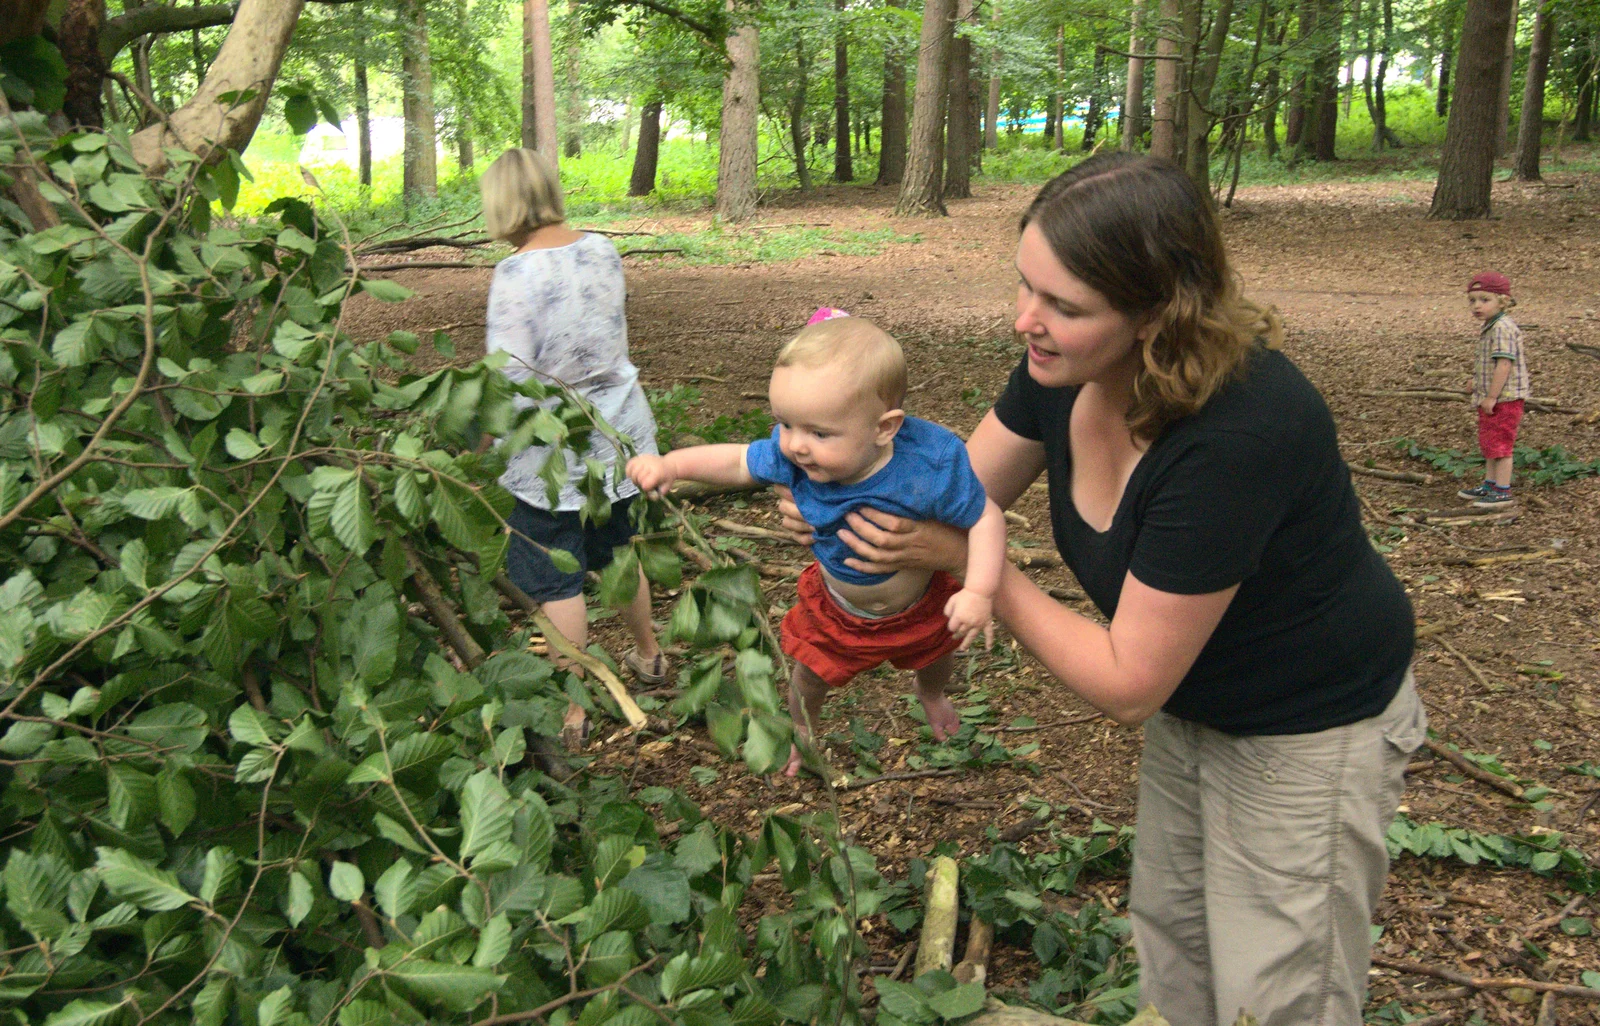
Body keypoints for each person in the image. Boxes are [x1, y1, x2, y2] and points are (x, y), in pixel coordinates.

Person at [775, 154, 1425, 1026]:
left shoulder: (1239, 433)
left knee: (1279, 993)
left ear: (1159, 312)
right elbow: (956, 495)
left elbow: (1127, 680)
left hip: (1309, 724)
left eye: (1064, 307)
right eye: (1026, 288)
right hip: (1199, 706)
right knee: (1177, 949)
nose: (1025, 322)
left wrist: (976, 569)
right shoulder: (1060, 372)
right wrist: (844, 501)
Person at [626, 313, 1007, 777]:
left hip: (921, 601)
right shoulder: (797, 457)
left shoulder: (929, 465)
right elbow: (738, 462)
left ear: (884, 428)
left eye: (819, 433)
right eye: (785, 424)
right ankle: (802, 727)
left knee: (939, 652)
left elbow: (985, 516)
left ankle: (931, 694)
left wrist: (979, 591)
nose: (795, 446)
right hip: (839, 604)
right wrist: (671, 465)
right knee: (809, 673)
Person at [479, 148, 667, 684]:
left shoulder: (515, 274)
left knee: (552, 573)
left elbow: (508, 375)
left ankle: (572, 700)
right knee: (615, 552)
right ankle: (649, 655)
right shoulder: (604, 251)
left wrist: (480, 446)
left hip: (552, 453)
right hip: (620, 434)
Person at [1456, 271, 1528, 508]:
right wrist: (1476, 382)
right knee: (1489, 443)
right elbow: (1490, 363)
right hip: (1491, 397)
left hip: (1504, 399)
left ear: (1502, 301)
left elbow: (1504, 364)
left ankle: (1502, 491)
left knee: (1501, 446)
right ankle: (1490, 484)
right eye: (1473, 300)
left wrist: (1492, 396)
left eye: (1484, 300)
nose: (1477, 306)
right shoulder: (1491, 326)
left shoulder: (1502, 328)